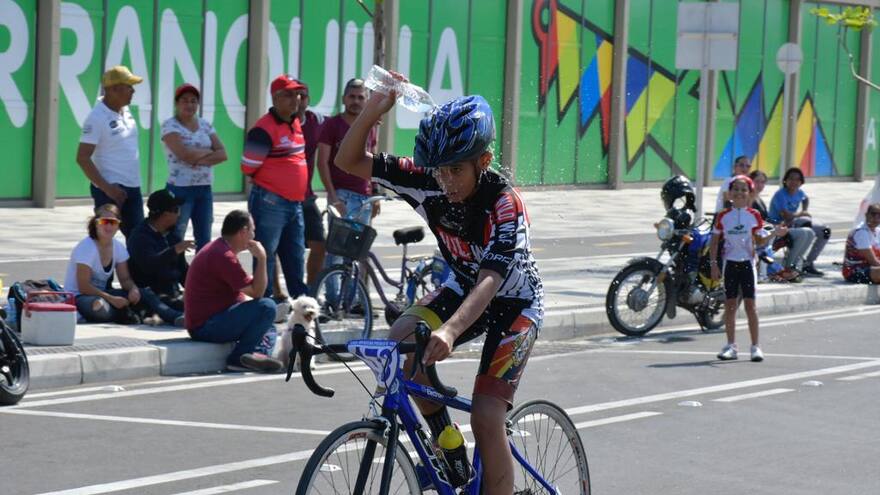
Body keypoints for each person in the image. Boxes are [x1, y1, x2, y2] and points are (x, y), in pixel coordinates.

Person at [335, 81, 544, 495]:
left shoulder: (505, 203)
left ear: (483, 161)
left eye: (456, 170)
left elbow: (491, 279)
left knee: (486, 416)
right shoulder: (427, 179)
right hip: (461, 286)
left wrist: (449, 330)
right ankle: (448, 446)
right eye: (439, 170)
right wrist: (375, 108)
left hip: (515, 304)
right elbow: (348, 160)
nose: (446, 181)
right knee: (400, 341)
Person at [184, 210, 283, 372]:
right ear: (243, 231)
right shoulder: (223, 255)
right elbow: (257, 292)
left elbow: (246, 291)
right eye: (252, 230)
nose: (254, 235)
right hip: (205, 327)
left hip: (211, 320)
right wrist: (262, 259)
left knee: (269, 326)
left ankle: (256, 356)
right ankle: (240, 358)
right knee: (267, 307)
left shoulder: (219, 248)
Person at [241, 75, 309, 300]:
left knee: (295, 255)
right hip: (271, 201)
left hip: (294, 203)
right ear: (275, 98)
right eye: (288, 94)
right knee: (266, 254)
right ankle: (266, 302)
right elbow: (248, 166)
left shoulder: (295, 122)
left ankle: (301, 303)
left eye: (297, 94)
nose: (295, 99)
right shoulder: (264, 128)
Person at [76, 66, 145, 239]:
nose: (133, 91)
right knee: (103, 237)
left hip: (133, 187)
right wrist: (107, 189)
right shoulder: (96, 118)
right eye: (129, 86)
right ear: (113, 89)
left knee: (138, 240)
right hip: (109, 190)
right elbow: (82, 158)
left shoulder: (125, 110)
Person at [271, 79, 326, 298]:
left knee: (319, 244)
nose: (298, 99)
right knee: (273, 247)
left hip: (306, 196)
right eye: (294, 95)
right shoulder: (278, 123)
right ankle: (277, 292)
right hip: (278, 198)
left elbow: (341, 125)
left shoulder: (316, 121)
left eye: (302, 95)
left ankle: (310, 292)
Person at [161, 83, 228, 251]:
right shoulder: (170, 125)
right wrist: (208, 152)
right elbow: (184, 154)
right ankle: (174, 268)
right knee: (176, 235)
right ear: (177, 103)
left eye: (193, 101)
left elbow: (222, 154)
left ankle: (201, 268)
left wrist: (196, 158)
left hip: (204, 189)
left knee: (204, 238)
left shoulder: (205, 125)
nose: (189, 105)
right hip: (180, 189)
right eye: (185, 100)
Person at [710, 176, 766, 362]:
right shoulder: (723, 216)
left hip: (748, 264)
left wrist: (775, 233)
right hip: (730, 264)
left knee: (750, 305)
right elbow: (714, 242)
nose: (739, 193)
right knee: (730, 305)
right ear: (729, 193)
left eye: (743, 190)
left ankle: (755, 347)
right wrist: (714, 264)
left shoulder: (754, 215)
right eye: (736, 189)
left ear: (750, 193)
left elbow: (760, 240)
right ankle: (731, 346)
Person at [317, 78, 380, 226]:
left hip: (365, 198)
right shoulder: (332, 125)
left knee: (362, 241)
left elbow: (374, 162)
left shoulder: (369, 126)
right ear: (343, 99)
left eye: (360, 97)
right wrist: (333, 197)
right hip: (341, 196)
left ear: (366, 101)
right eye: (352, 96)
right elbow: (322, 163)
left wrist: (375, 195)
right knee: (339, 241)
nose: (356, 101)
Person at [126, 189, 193, 324]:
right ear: (165, 214)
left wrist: (199, 287)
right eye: (176, 210)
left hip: (173, 293)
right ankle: (179, 317)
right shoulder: (139, 236)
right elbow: (149, 265)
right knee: (183, 307)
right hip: (152, 294)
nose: (179, 214)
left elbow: (183, 271)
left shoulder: (173, 236)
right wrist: (174, 250)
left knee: (205, 302)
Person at [749, 169, 815, 281]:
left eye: (763, 182)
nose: (760, 185)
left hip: (772, 229)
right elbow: (755, 222)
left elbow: (805, 199)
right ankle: (788, 267)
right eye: (757, 181)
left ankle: (795, 265)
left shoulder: (758, 199)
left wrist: (776, 227)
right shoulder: (751, 199)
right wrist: (775, 228)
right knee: (805, 233)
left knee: (811, 232)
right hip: (764, 233)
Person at [768, 167, 830, 277]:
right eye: (791, 179)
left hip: (793, 223)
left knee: (825, 231)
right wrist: (801, 213)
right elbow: (786, 215)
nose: (794, 182)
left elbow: (805, 199)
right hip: (779, 226)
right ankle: (792, 264)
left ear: (801, 182)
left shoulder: (799, 192)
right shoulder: (780, 195)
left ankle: (808, 263)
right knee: (806, 224)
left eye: (797, 179)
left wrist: (805, 209)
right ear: (785, 180)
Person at [842, 203, 880, 284]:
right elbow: (873, 262)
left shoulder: (878, 231)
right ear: (866, 215)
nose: (876, 218)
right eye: (873, 214)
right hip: (855, 271)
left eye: (879, 215)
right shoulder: (861, 232)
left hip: (871, 269)